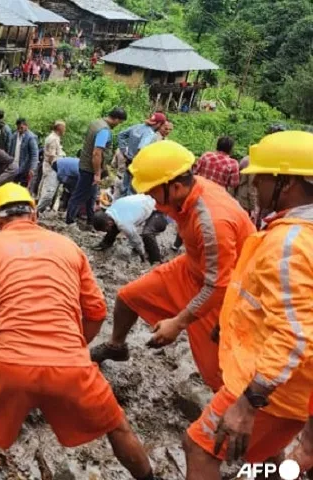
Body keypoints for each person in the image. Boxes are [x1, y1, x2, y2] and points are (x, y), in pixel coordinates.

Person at [0, 183, 162, 480]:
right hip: (70, 365)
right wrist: (75, 348)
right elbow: (97, 312)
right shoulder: (69, 247)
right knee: (117, 426)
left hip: (6, 363)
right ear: (34, 213)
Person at [183, 131, 313, 479]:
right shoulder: (298, 232)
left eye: (262, 176)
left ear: (287, 182)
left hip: (272, 388)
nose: (254, 184)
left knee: (200, 448)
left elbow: (296, 334)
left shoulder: (291, 242)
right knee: (266, 458)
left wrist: (248, 402)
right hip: (298, 389)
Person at [91, 141, 255, 392]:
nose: (151, 200)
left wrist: (178, 323)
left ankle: (232, 418)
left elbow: (218, 285)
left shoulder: (212, 222)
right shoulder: (186, 193)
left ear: (175, 186)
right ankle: (116, 346)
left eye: (153, 192)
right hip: (192, 267)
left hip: (223, 291)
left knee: (217, 373)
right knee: (127, 297)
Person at [66, 108, 127, 227]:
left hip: (86, 165)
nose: (118, 125)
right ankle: (70, 221)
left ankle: (91, 221)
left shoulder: (96, 123)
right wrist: (97, 173)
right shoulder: (104, 130)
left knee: (92, 196)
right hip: (90, 169)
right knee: (80, 195)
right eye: (119, 123)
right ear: (116, 119)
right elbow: (97, 153)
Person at [91, 194, 168, 264]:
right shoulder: (109, 212)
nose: (105, 231)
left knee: (147, 234)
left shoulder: (124, 224)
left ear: (109, 223)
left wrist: (141, 253)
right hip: (146, 199)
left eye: (104, 230)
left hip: (157, 210)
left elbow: (136, 240)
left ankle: (156, 260)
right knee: (114, 227)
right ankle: (105, 243)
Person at [117, 112, 167, 197]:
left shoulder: (137, 127)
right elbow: (142, 148)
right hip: (137, 166)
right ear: (159, 124)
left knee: (124, 188)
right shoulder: (150, 134)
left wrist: (124, 150)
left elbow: (121, 135)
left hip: (128, 161)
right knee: (133, 192)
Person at [37, 120, 67, 211]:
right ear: (60, 128)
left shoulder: (55, 138)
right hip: (52, 169)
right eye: (64, 128)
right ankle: (38, 210)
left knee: (50, 191)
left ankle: (44, 209)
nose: (65, 130)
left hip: (53, 168)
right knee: (48, 191)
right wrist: (57, 168)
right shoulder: (53, 139)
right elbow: (51, 156)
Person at [7, 118, 39, 190]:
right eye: (18, 128)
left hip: (25, 167)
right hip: (14, 164)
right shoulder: (14, 136)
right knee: (12, 185)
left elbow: (34, 154)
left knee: (23, 187)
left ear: (26, 126)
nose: (20, 130)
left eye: (21, 127)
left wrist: (32, 168)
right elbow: (10, 149)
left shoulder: (31, 137)